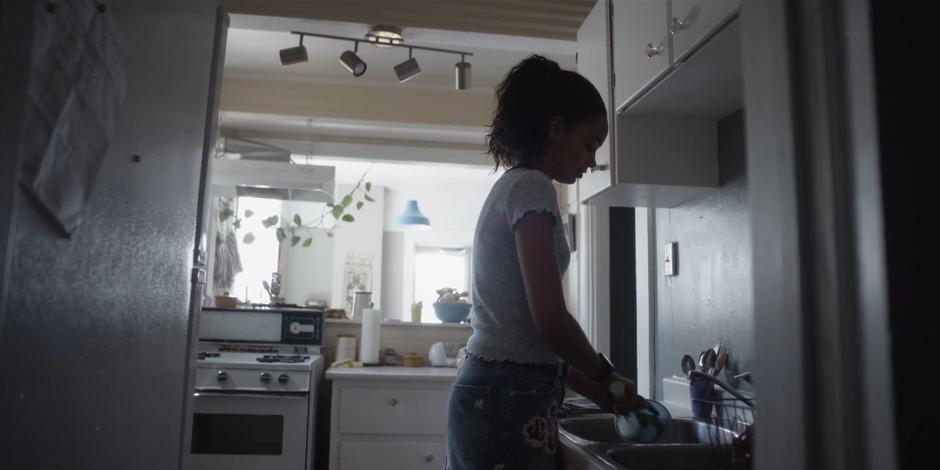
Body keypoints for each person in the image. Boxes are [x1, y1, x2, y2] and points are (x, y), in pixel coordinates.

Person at [444, 55, 647, 470]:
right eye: (589, 143)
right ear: (556, 129)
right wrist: (607, 377)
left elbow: (534, 342)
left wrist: (602, 393)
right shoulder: (532, 188)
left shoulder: (515, 186)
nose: (591, 160)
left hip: (499, 389)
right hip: (506, 394)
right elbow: (550, 321)